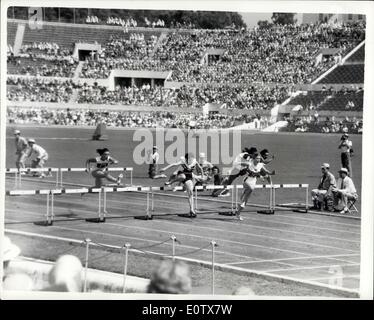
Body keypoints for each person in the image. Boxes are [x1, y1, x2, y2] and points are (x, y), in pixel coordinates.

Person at [160, 153, 205, 217]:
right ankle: (170, 182)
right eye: (189, 159)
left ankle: (191, 210)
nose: (191, 160)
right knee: (183, 177)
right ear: (186, 159)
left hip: (189, 176)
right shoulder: (183, 161)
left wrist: (202, 176)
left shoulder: (194, 161)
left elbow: (200, 168)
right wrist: (164, 169)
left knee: (191, 193)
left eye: (191, 158)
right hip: (182, 174)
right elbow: (173, 164)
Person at [235, 153, 275, 221]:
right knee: (250, 189)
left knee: (244, 202)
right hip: (247, 180)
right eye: (257, 158)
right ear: (253, 159)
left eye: (259, 158)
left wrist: (271, 173)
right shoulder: (249, 164)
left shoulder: (260, 165)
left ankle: (238, 213)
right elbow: (245, 166)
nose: (258, 160)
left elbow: (266, 171)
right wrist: (237, 163)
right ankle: (243, 196)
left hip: (253, 182)